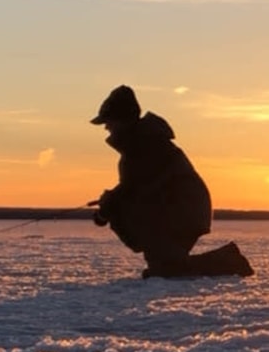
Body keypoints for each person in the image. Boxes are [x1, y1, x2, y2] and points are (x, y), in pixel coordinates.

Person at [90, 85, 253, 278]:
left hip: (181, 213)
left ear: (122, 120)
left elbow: (136, 187)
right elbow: (135, 187)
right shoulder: (141, 144)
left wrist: (108, 206)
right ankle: (224, 260)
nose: (107, 128)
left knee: (167, 270)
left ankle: (230, 262)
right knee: (164, 267)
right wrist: (109, 205)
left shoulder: (146, 145)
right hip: (175, 211)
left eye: (108, 122)